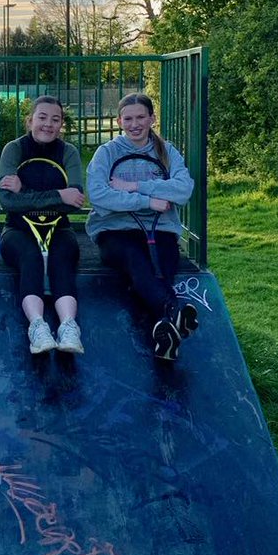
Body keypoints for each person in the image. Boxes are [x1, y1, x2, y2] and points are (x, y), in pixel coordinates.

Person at [86, 92, 198, 362]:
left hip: (161, 230)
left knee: (159, 274)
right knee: (137, 262)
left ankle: (166, 336)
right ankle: (174, 313)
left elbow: (183, 190)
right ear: (119, 121)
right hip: (115, 230)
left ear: (152, 118)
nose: (134, 124)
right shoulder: (107, 152)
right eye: (128, 118)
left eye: (140, 117)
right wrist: (149, 201)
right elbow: (99, 195)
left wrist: (136, 186)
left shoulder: (167, 151)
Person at [0, 95, 85, 355]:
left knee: (63, 256)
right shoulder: (14, 149)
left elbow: (75, 201)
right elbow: (7, 202)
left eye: (55, 119)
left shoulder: (68, 152)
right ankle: (38, 328)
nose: (48, 124)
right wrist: (58, 194)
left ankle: (69, 327)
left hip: (61, 229)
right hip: (17, 230)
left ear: (61, 125)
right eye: (42, 117)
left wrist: (24, 190)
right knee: (30, 256)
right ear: (30, 121)